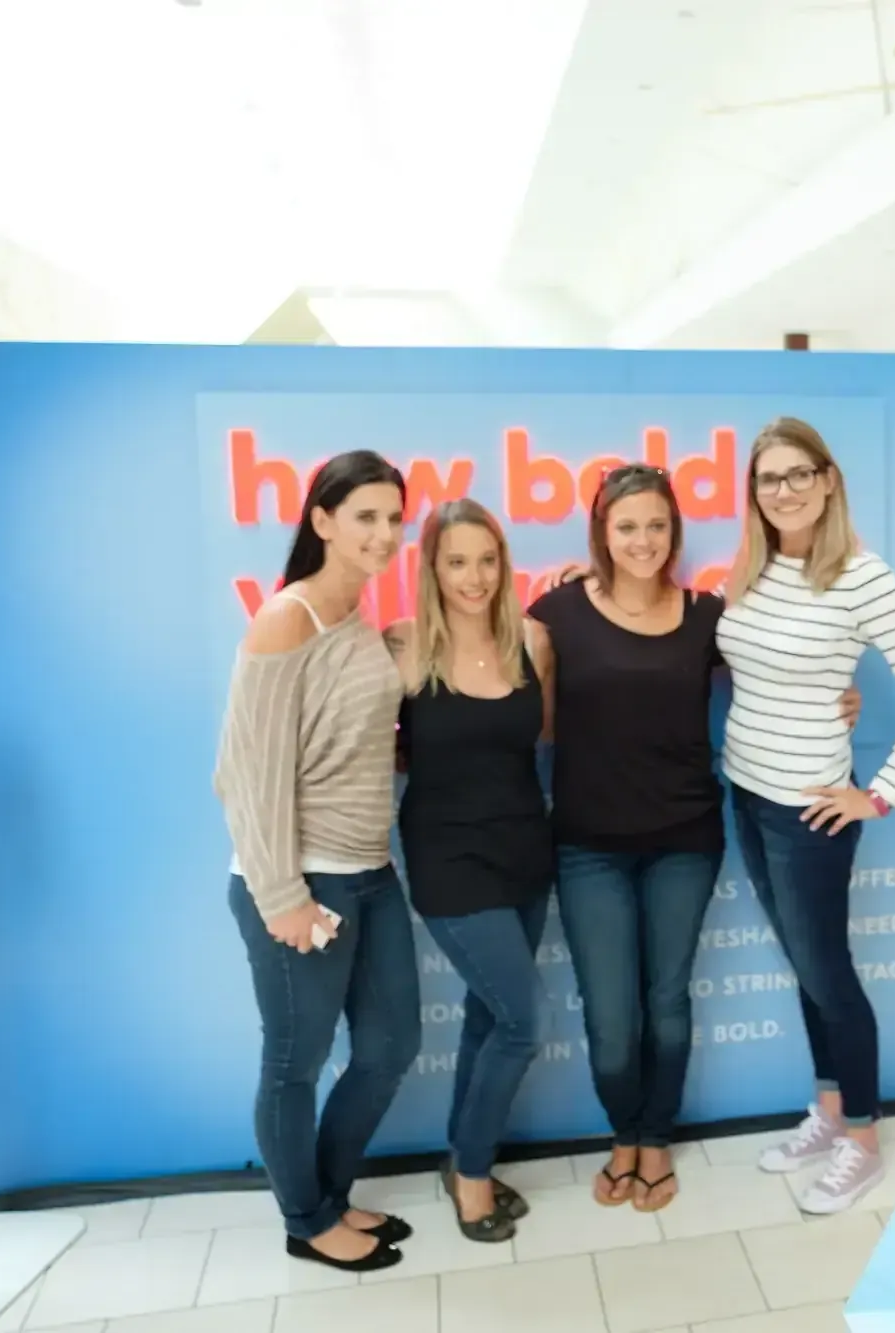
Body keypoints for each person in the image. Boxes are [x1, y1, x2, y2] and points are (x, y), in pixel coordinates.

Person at [532, 465, 864, 1213]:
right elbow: (529, 713)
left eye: (655, 525)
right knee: (611, 1018)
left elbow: (780, 668)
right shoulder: (556, 610)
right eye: (626, 527)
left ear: (673, 531)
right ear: (602, 533)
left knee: (668, 999)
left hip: (684, 838)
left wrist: (836, 693)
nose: (642, 540)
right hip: (586, 844)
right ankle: (623, 1132)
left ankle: (653, 1139)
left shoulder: (707, 615)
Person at [721, 416, 895, 1214]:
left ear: (827, 481)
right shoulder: (749, 571)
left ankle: (862, 1139)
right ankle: (828, 1111)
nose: (782, 490)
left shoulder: (863, 576)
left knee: (830, 977)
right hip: (746, 792)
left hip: (811, 812)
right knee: (804, 968)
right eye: (767, 478)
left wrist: (876, 793)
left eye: (797, 474)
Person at [214, 450, 422, 1274]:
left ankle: (329, 1192)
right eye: (363, 515)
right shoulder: (286, 619)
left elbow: (354, 741)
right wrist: (281, 894)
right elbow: (244, 771)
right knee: (294, 1061)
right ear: (323, 521)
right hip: (300, 882)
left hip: (371, 870)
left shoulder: (360, 619)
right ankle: (306, 1218)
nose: (382, 532)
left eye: (392, 517)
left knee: (390, 1043)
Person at [386, 499, 552, 1244]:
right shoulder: (402, 647)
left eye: (487, 559)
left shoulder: (533, 641)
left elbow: (542, 738)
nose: (474, 576)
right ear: (431, 567)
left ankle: (460, 1155)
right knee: (520, 1021)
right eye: (457, 561)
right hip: (447, 857)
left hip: (525, 849)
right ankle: (475, 1174)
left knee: (490, 1016)